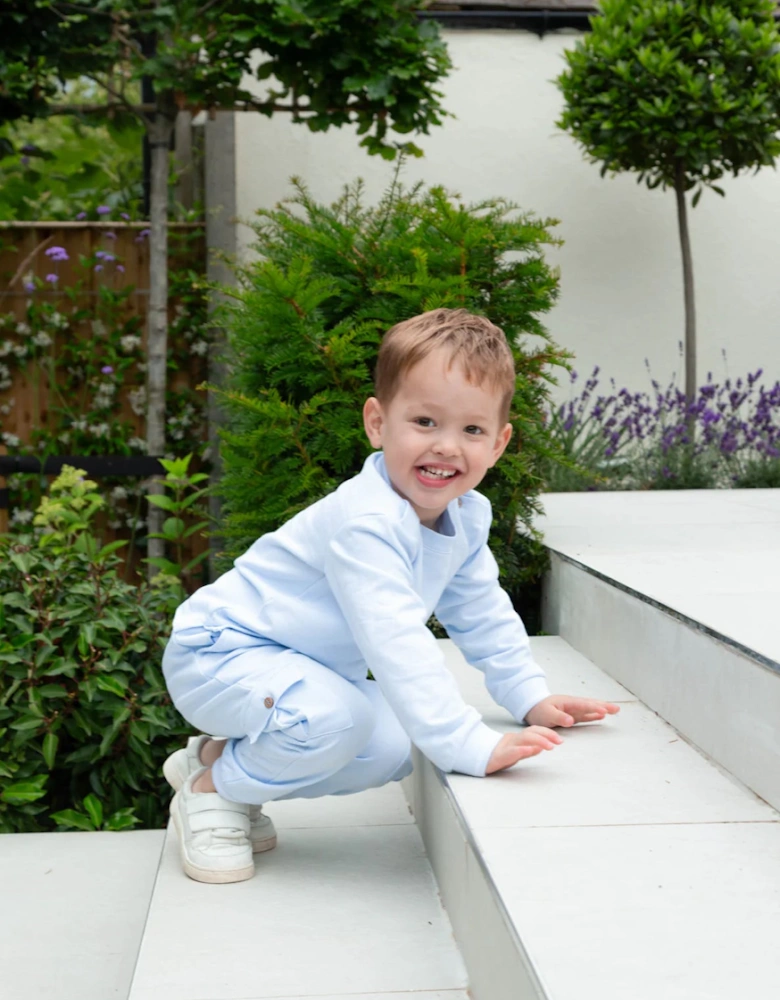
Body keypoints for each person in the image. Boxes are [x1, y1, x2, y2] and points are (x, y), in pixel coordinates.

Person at [161, 308, 620, 884]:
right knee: (335, 720)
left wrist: (528, 695)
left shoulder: (465, 516)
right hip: (221, 653)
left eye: (472, 430)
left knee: (399, 744)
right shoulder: (366, 521)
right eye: (425, 421)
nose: (448, 447)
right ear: (378, 423)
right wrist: (465, 741)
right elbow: (397, 641)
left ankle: (211, 761)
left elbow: (480, 612)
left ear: (499, 443)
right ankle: (214, 792)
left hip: (292, 671)